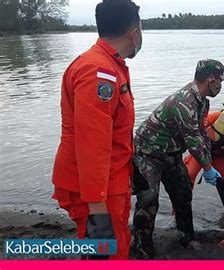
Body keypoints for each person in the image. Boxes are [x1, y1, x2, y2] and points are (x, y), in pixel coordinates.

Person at [51, 0, 141, 260]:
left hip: (110, 182)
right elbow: (92, 145)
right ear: (134, 33)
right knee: (108, 255)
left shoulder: (110, 66)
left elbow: (114, 134)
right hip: (96, 190)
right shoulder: (99, 72)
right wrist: (97, 212)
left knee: (117, 245)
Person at [131, 59, 224, 259]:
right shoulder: (185, 101)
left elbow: (202, 134)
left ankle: (187, 237)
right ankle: (142, 249)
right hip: (147, 153)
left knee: (183, 193)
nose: (220, 85)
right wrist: (208, 168)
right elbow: (192, 142)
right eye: (219, 80)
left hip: (170, 153)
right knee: (149, 198)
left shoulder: (203, 101)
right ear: (210, 79)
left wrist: (208, 159)